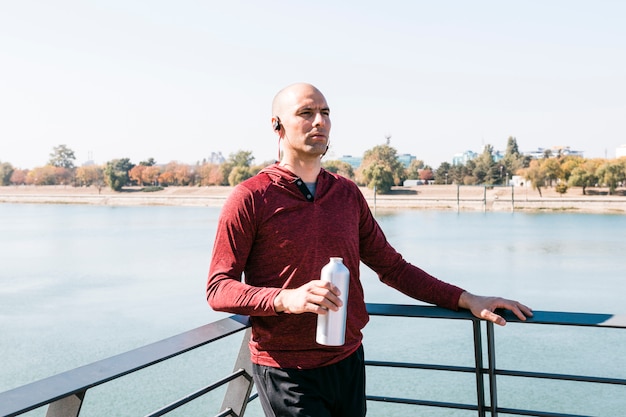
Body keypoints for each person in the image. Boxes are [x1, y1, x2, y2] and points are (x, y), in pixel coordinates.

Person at [206, 82, 533, 417]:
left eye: (326, 113)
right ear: (276, 125)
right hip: (287, 372)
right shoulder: (250, 198)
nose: (320, 121)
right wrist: (285, 299)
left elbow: (393, 268)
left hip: (348, 360)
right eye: (306, 113)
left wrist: (466, 299)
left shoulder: (347, 194)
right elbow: (218, 289)